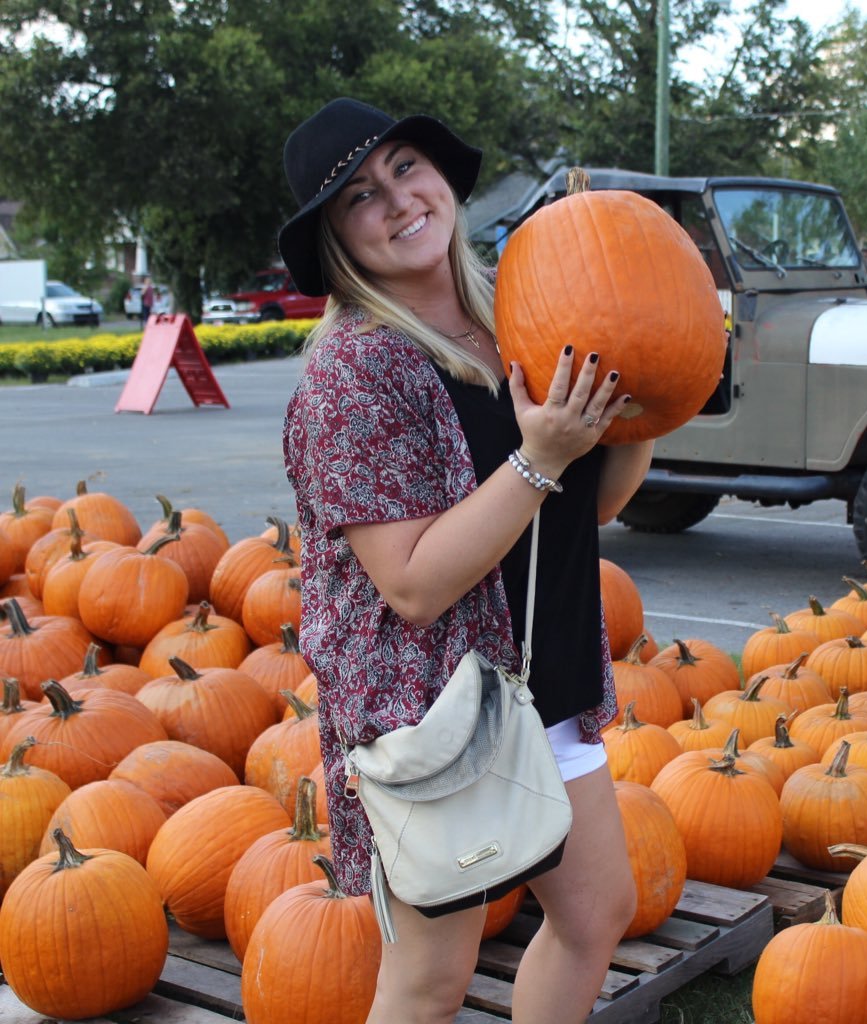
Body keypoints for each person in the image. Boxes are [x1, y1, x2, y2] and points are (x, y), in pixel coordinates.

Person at [279, 97, 655, 1024]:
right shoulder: (353, 375)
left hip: (541, 679)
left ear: (441, 177)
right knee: (431, 978)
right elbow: (411, 584)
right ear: (337, 241)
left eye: (407, 168)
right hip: (434, 712)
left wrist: (640, 411)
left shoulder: (519, 314)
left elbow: (585, 510)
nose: (398, 200)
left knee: (597, 913)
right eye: (361, 196)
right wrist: (543, 456)